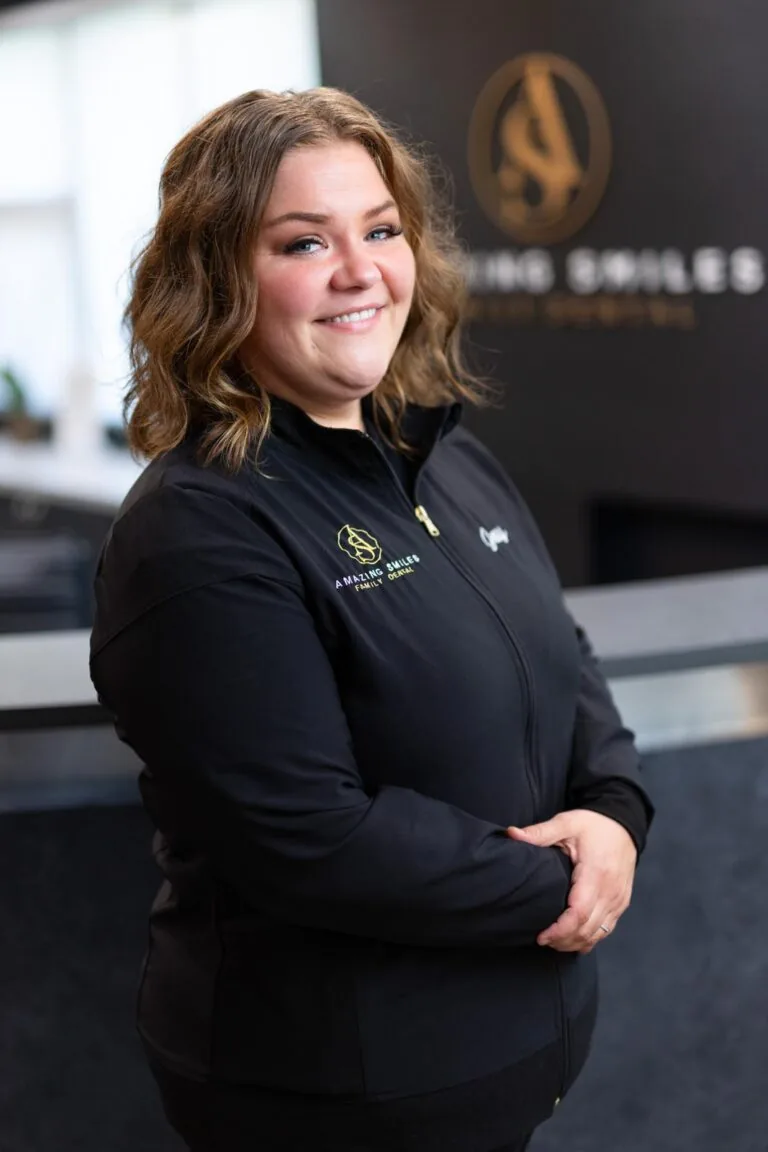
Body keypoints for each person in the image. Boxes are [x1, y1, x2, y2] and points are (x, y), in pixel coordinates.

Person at [89, 87, 653, 1152]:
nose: (361, 272)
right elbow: (308, 835)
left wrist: (618, 815)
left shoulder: (450, 459)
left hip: (506, 1060)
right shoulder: (199, 527)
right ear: (216, 281)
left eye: (381, 230)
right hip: (335, 1097)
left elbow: (565, 667)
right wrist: (571, 877)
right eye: (305, 242)